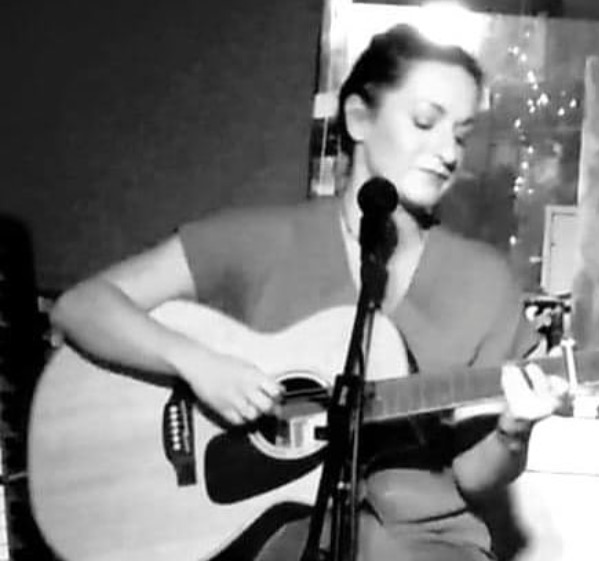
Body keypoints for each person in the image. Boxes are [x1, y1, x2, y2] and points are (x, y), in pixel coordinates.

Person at [50, 24, 567, 561]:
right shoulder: (262, 240)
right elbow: (80, 308)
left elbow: (473, 476)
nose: (447, 152)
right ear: (358, 118)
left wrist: (513, 431)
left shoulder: (484, 281)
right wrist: (197, 364)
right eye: (424, 121)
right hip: (270, 534)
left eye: (460, 135)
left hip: (424, 546)